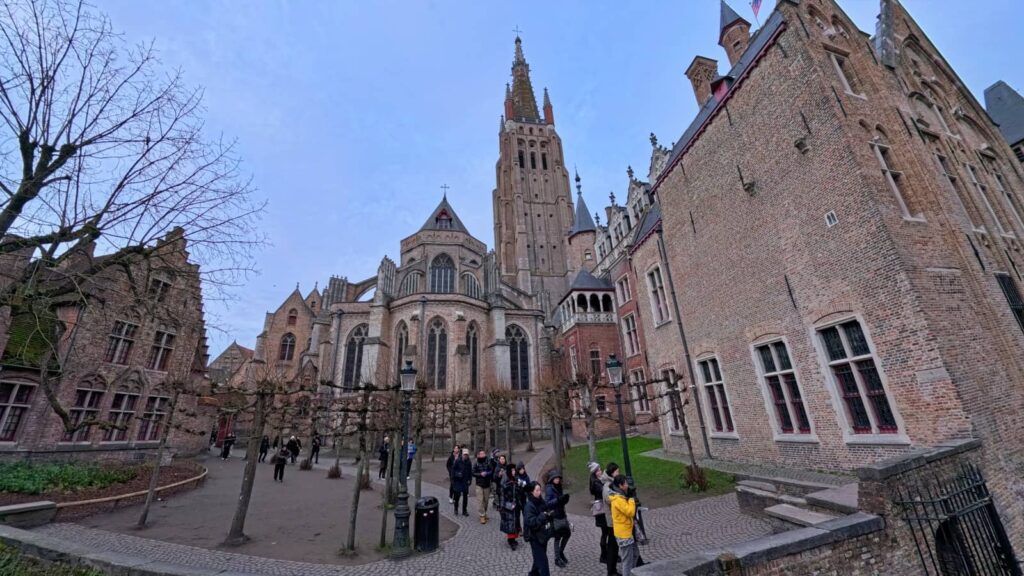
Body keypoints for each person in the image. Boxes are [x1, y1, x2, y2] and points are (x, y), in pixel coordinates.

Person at [590, 462, 618, 576]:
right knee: (605, 533)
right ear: (594, 472)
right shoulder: (596, 482)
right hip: (601, 510)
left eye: (600, 469)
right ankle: (604, 555)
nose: (600, 472)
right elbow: (604, 492)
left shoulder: (598, 480)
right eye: (597, 470)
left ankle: (609, 554)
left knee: (606, 533)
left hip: (602, 509)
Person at [609, 474, 638, 576]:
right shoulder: (618, 499)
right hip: (623, 534)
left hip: (627, 532)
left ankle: (632, 573)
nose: (627, 485)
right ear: (620, 486)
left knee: (635, 554)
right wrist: (631, 499)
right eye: (625, 483)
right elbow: (630, 512)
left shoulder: (621, 496)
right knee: (627, 560)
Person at [523, 480, 552, 576]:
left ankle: (533, 574)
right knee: (543, 563)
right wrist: (542, 516)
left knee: (538, 559)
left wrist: (549, 514)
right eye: (537, 490)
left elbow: (546, 511)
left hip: (543, 536)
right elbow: (531, 522)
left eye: (540, 490)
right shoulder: (529, 506)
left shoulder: (541, 501)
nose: (540, 492)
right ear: (532, 492)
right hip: (535, 538)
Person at [545, 469, 571, 568]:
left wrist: (564, 500)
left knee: (567, 534)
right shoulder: (549, 488)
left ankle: (561, 552)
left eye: (558, 478)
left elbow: (560, 502)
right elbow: (547, 503)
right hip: (555, 516)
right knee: (557, 537)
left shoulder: (559, 486)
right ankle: (557, 558)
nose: (557, 479)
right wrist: (558, 499)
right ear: (552, 479)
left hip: (562, 514)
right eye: (555, 478)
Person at [499, 464, 521, 549]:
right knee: (510, 523)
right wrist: (503, 506)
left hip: (516, 505)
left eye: (514, 470)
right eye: (512, 470)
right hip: (508, 506)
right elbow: (502, 495)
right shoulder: (505, 481)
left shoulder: (516, 479)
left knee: (515, 522)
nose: (514, 472)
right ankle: (511, 540)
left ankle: (513, 539)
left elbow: (518, 492)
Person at [472, 449, 494, 524]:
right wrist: (480, 474)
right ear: (479, 455)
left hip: (487, 484)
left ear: (485, 454)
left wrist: (486, 473)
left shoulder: (488, 461)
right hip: (479, 484)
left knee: (486, 501)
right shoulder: (476, 462)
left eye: (483, 453)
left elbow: (491, 470)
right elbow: (473, 472)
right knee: (480, 500)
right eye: (480, 454)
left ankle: (484, 512)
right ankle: (482, 515)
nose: (482, 455)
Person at [451, 448, 472, 517]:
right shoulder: (457, 461)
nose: (465, 456)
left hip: (465, 481)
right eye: (464, 454)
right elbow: (453, 470)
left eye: (466, 455)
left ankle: (464, 510)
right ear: (462, 454)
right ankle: (456, 509)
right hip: (458, 481)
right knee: (457, 496)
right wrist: (454, 479)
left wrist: (470, 480)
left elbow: (470, 472)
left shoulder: (469, 462)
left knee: (465, 497)